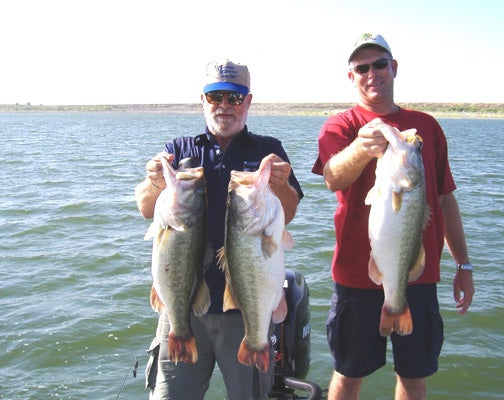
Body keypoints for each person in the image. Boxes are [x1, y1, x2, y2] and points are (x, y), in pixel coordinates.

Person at [311, 33, 475, 399]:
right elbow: (332, 177)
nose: (372, 73)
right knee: (348, 374)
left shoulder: (427, 127)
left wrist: (463, 265)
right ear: (351, 76)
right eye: (362, 68)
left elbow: (445, 200)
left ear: (394, 67)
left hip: (415, 276)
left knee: (414, 377)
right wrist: (361, 148)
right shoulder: (341, 125)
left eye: (380, 64)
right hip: (355, 275)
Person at [135, 59, 304, 400]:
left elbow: (289, 211)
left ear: (248, 101)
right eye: (216, 97)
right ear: (203, 100)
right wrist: (155, 181)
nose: (225, 106)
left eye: (234, 98)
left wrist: (282, 184)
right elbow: (145, 207)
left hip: (243, 308)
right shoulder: (180, 149)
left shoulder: (266, 149)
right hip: (181, 304)